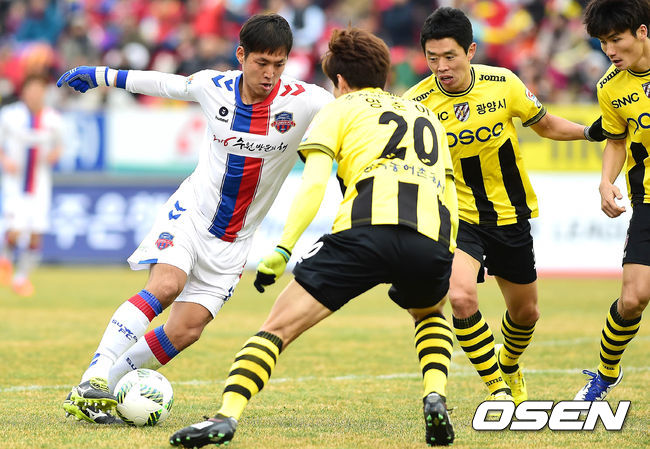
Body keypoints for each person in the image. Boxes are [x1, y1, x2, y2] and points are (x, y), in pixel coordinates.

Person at [169, 27, 459, 448]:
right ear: (384, 74)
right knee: (430, 314)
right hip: (430, 238)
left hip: (365, 232)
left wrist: (284, 247)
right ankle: (435, 395)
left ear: (339, 81)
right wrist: (448, 251)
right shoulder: (426, 115)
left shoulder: (338, 109)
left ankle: (226, 416)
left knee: (276, 329)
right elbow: (449, 191)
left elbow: (314, 184)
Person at [56, 13, 333, 424]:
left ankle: (96, 391)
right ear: (241, 55)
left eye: (279, 64)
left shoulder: (307, 101)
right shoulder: (212, 86)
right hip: (192, 214)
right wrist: (100, 74)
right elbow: (162, 83)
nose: (270, 74)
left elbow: (354, 109)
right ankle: (95, 375)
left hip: (236, 241)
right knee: (166, 285)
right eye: (261, 63)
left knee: (187, 329)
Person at [403, 7, 606, 407]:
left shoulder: (504, 83)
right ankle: (498, 390)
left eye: (449, 56)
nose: (441, 67)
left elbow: (545, 125)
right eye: (432, 58)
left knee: (526, 313)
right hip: (458, 218)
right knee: (461, 298)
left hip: (510, 215)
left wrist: (588, 132)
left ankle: (509, 363)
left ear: (470, 51)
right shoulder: (416, 104)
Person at [574, 0, 649, 402]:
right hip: (648, 199)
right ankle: (605, 374)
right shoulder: (610, 87)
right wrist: (606, 181)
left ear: (642, 31)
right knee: (633, 299)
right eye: (603, 43)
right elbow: (616, 141)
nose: (610, 51)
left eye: (616, 39)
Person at [0, 73, 63, 297]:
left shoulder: (53, 119)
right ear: (24, 92)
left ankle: (21, 279)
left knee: (36, 233)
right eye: (31, 90)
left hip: (40, 183)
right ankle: (5, 260)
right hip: (15, 182)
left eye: (39, 90)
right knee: (15, 230)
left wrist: (55, 155)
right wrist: (5, 160)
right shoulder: (10, 115)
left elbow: (60, 146)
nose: (35, 94)